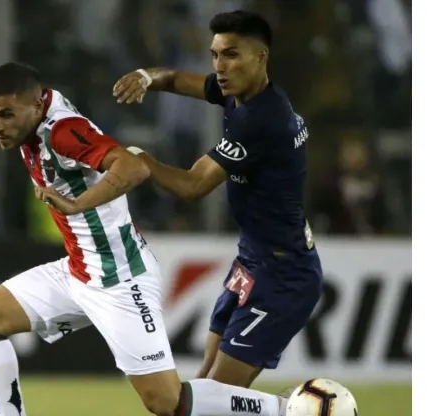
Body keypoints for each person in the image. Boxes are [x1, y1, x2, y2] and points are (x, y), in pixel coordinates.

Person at [0, 62, 289, 416]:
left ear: (36, 105)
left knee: (167, 402)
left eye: (6, 115)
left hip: (121, 279)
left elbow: (132, 167)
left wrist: (77, 204)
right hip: (77, 272)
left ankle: (287, 409)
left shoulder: (63, 131)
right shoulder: (25, 104)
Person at [113, 10, 324, 391]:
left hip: (283, 276)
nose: (219, 67)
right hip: (253, 260)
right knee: (203, 386)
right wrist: (147, 77)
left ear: (260, 58)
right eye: (214, 55)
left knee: (217, 397)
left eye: (230, 54)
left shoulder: (262, 119)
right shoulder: (241, 95)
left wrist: (142, 160)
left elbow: (193, 186)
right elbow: (176, 78)